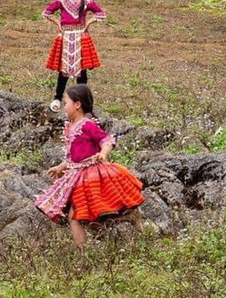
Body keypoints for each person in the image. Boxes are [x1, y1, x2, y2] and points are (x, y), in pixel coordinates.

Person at [33, 84, 144, 252]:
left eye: (66, 103)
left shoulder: (87, 125)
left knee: (80, 214)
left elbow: (106, 140)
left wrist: (103, 153)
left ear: (77, 105)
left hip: (92, 175)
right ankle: (84, 250)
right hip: (78, 175)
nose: (64, 107)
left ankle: (83, 252)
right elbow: (75, 157)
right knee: (79, 215)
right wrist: (61, 167)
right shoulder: (71, 127)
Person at [43, 0, 106, 112]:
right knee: (63, 70)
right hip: (66, 37)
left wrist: (88, 23)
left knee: (82, 70)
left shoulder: (87, 2)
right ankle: (57, 98)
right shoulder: (61, 1)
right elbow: (47, 12)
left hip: (80, 38)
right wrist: (58, 23)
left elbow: (101, 14)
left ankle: (81, 102)